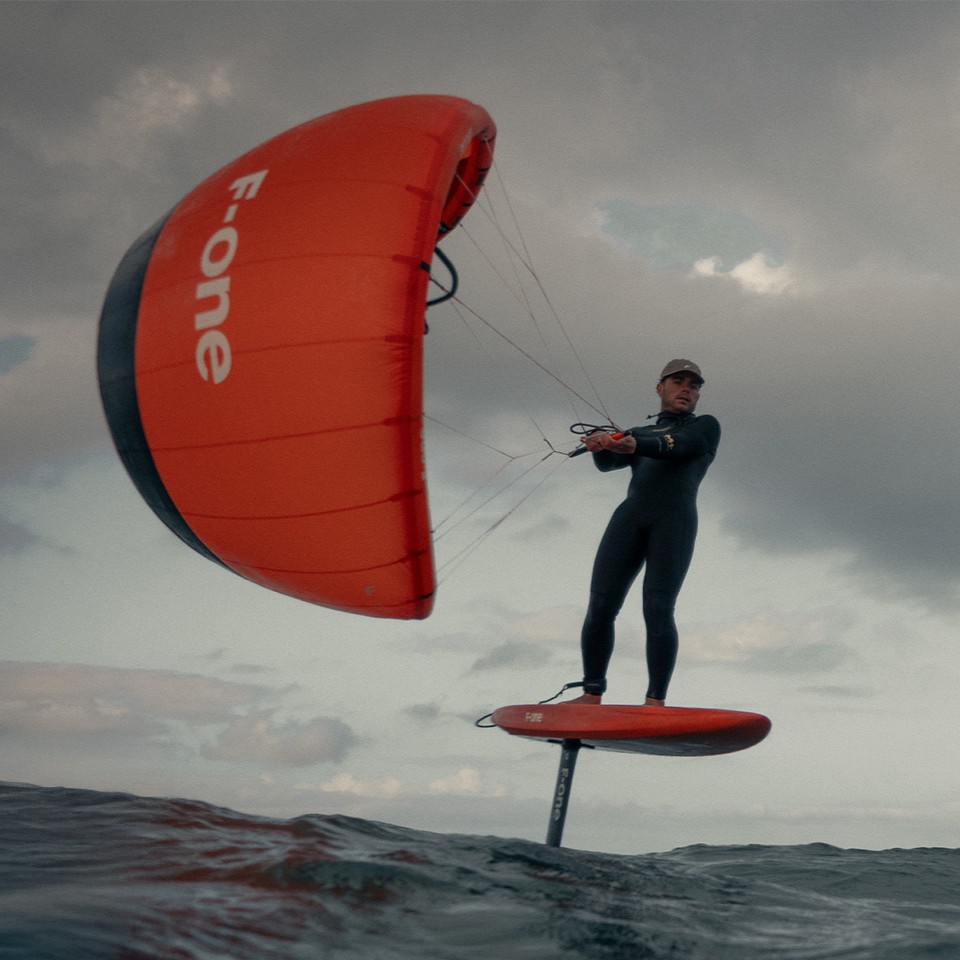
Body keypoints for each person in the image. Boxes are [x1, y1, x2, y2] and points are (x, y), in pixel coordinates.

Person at [572, 359, 720, 706]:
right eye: (678, 381)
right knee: (600, 606)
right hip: (629, 518)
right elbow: (608, 464)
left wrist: (630, 445)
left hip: (674, 522)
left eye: (694, 385)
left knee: (657, 607)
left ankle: (654, 702)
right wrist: (601, 444)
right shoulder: (639, 432)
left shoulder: (704, 427)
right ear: (660, 388)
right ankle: (591, 694)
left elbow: (677, 447)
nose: (687, 389)